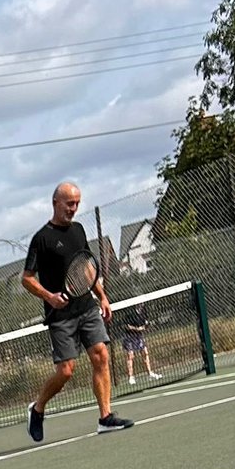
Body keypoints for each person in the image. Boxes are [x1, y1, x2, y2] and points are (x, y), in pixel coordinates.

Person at [21, 181, 134, 441]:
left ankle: (105, 417)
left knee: (101, 355)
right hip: (60, 316)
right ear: (55, 203)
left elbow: (86, 268)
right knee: (66, 371)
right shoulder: (42, 239)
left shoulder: (79, 230)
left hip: (87, 307)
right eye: (69, 203)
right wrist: (49, 297)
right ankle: (37, 409)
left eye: (77, 204)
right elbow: (26, 279)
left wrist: (103, 297)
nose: (73, 208)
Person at [122, 304, 162, 384]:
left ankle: (150, 373)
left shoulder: (144, 313)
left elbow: (146, 324)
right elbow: (126, 326)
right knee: (131, 356)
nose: (142, 305)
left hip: (139, 337)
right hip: (129, 337)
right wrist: (137, 329)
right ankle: (131, 377)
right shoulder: (131, 313)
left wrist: (144, 328)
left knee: (145, 353)